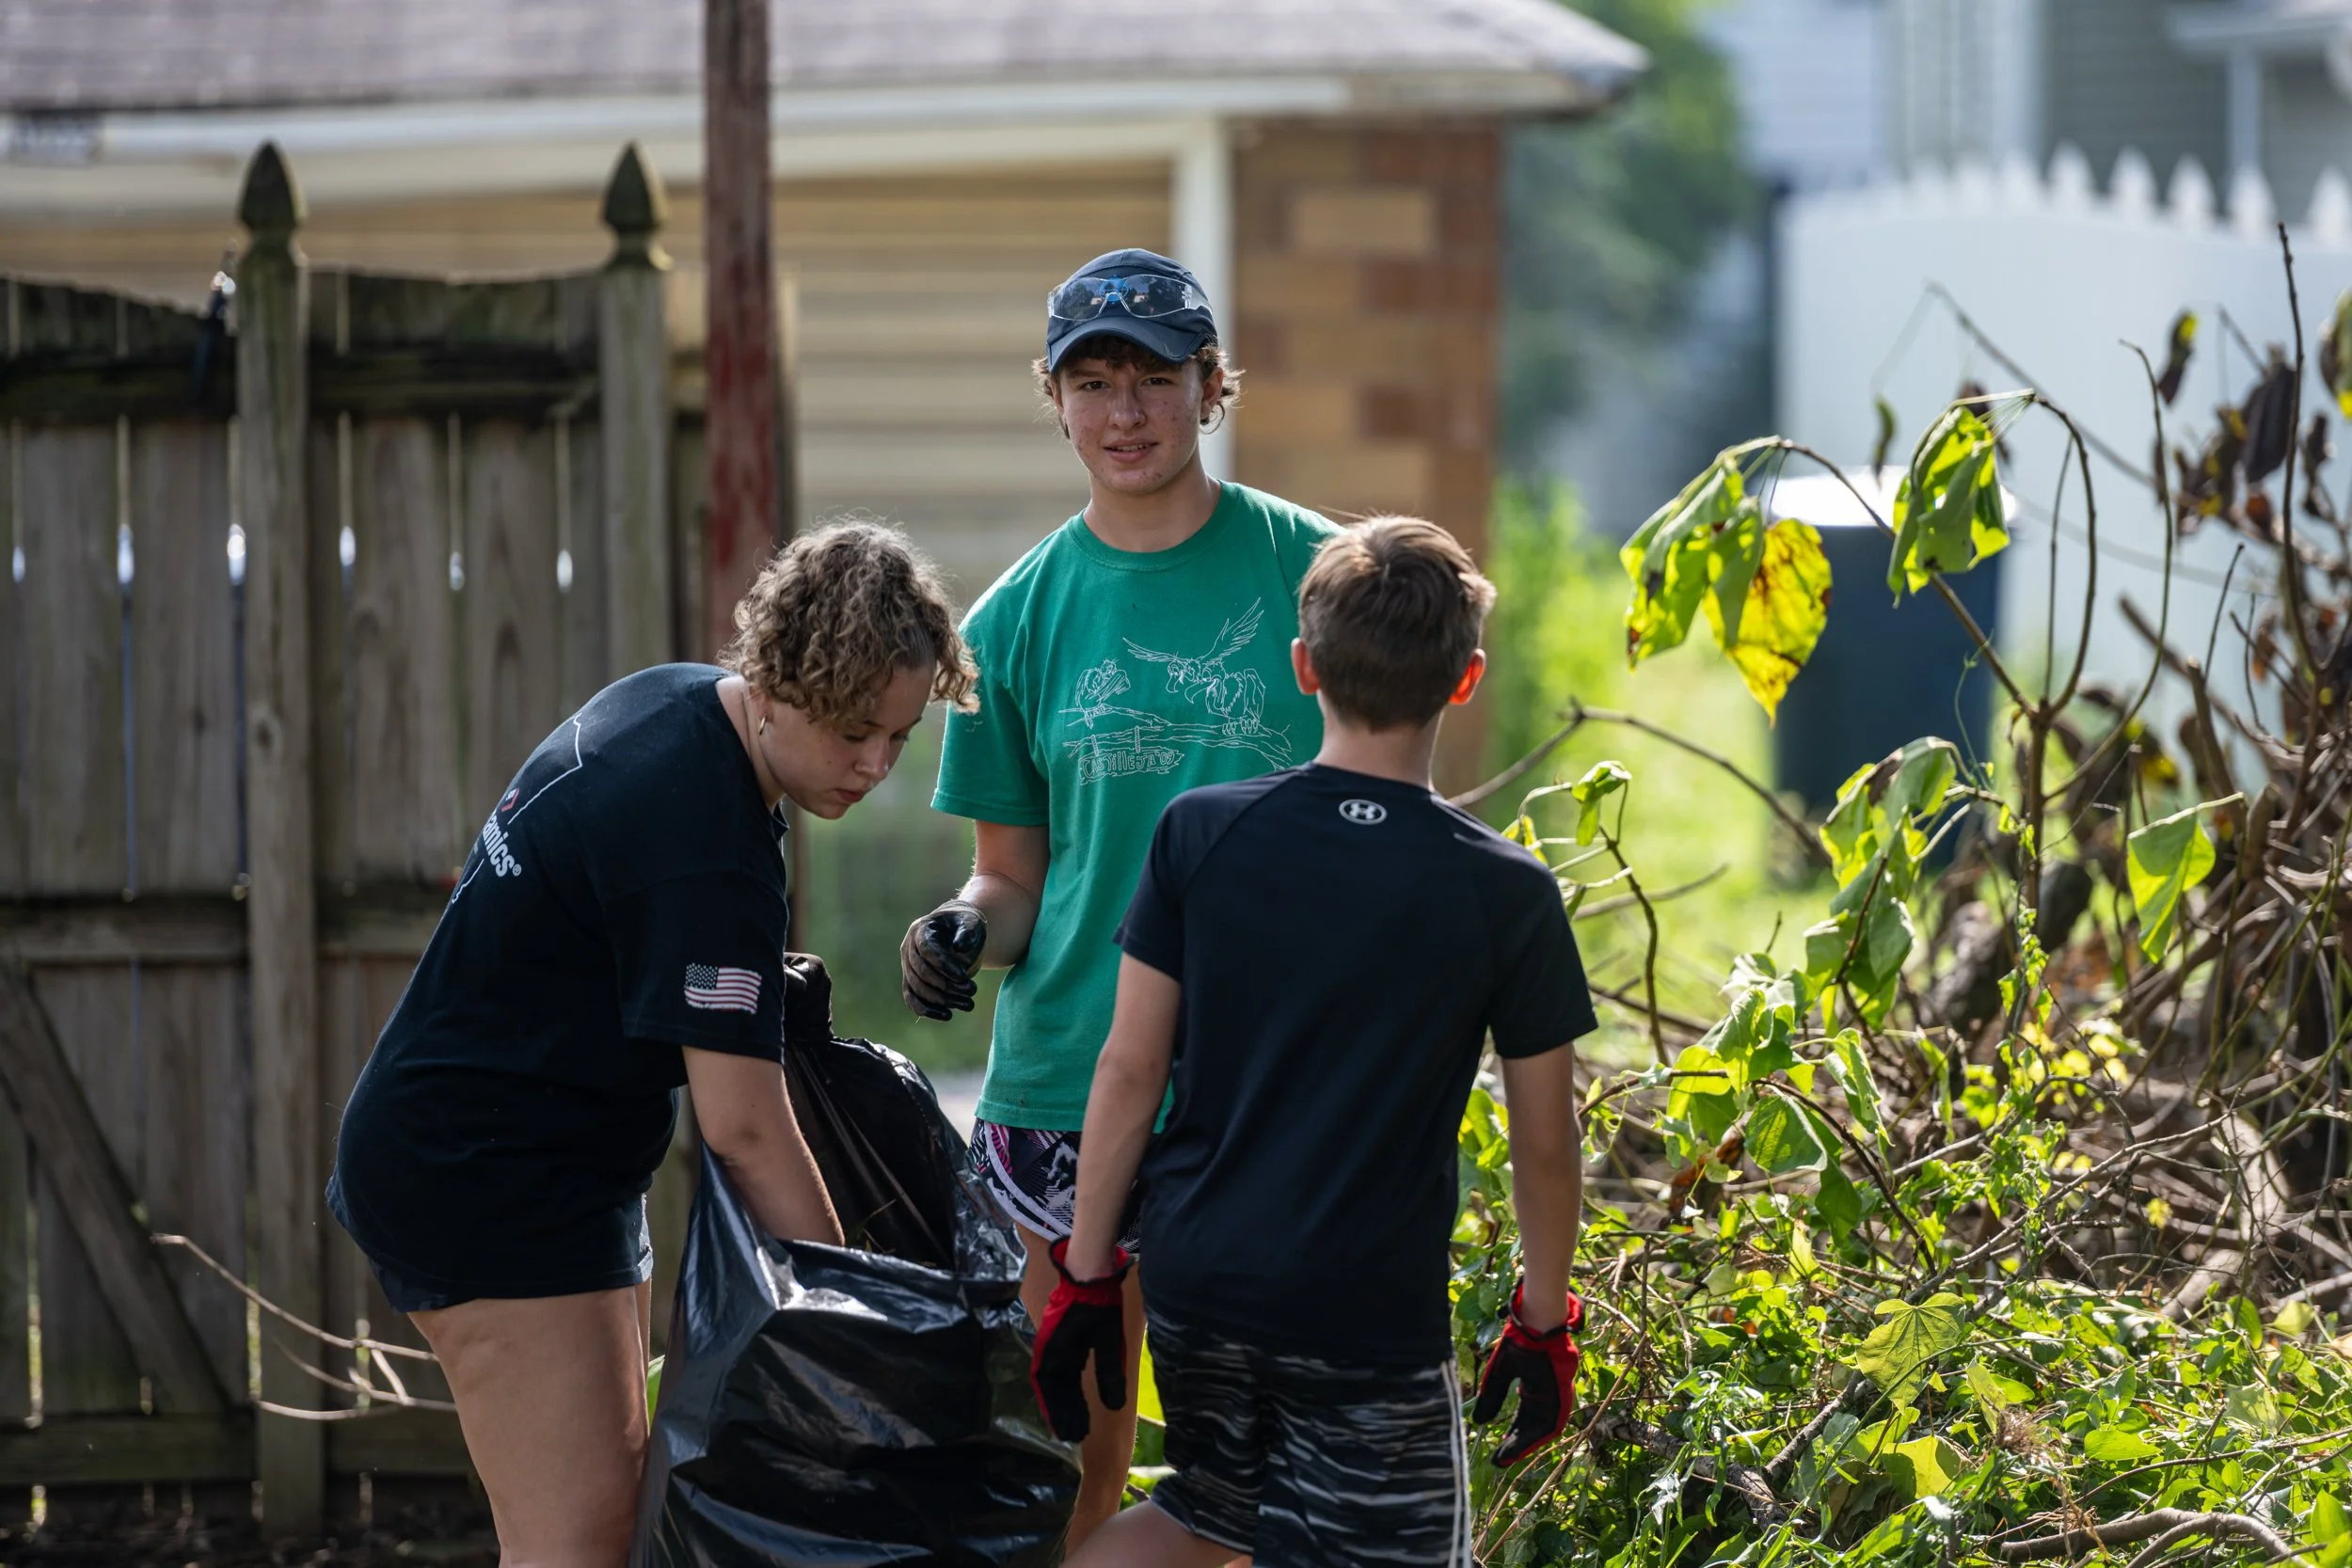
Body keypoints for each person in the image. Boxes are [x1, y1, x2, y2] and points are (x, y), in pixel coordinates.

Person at [327, 522, 976, 1568]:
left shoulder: (676, 700)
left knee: (625, 1511)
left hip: (551, 1154)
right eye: (853, 729)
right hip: (483, 1178)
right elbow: (745, 1131)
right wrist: (861, 1326)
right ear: (772, 682)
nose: (874, 763)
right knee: (574, 1544)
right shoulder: (703, 840)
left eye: (898, 736)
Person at [1032, 518, 1599, 1567]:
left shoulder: (1200, 832)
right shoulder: (1503, 890)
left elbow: (1127, 1069)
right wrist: (1541, 1320)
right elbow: (1544, 1140)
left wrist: (1086, 1272)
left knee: (1207, 1507)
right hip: (1361, 1304)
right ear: (1465, 680)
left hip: (1201, 1276)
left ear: (1302, 666)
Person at [898, 246, 1337, 1541]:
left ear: (1213, 386)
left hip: (1264, 1084)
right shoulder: (1017, 618)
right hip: (1069, 1086)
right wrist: (965, 925)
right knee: (1070, 1466)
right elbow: (1016, 875)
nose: (1126, 411)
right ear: (1056, 399)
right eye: (1093, 381)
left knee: (1250, 1475)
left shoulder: (1315, 574)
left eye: (1156, 376)